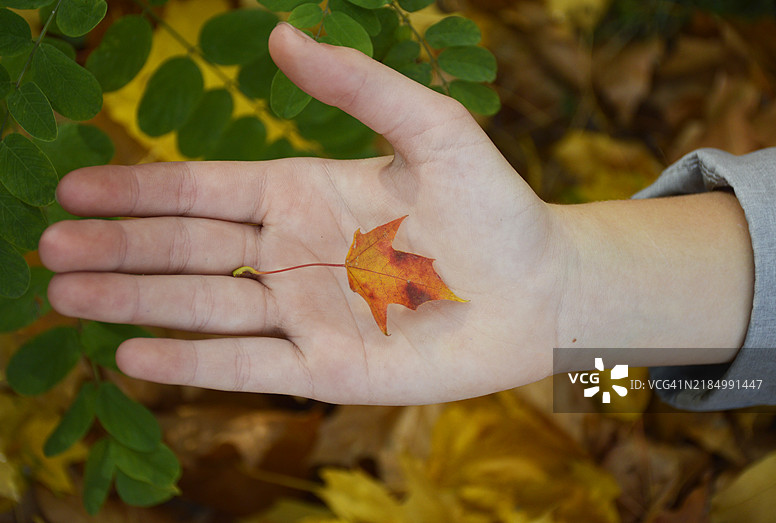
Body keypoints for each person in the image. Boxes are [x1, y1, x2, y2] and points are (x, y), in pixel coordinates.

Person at [38, 23, 775, 410]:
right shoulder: (381, 264)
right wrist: (564, 286)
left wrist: (562, 290)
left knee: (604, 389)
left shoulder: (372, 267)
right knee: (606, 382)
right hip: (706, 335)